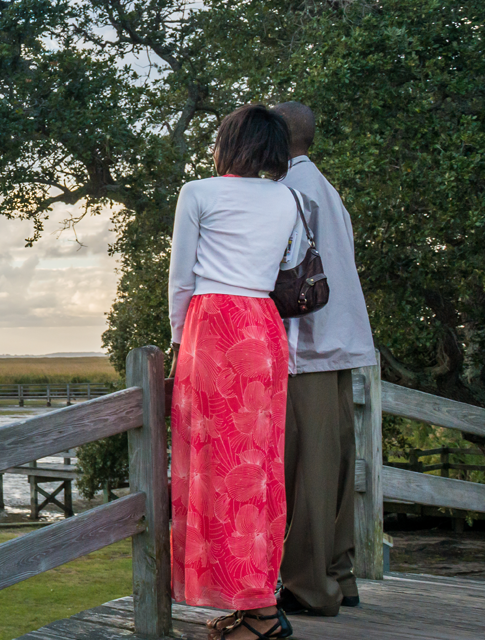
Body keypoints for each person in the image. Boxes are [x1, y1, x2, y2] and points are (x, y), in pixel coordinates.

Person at [168, 104, 309, 640]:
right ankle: (253, 603)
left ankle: (263, 616)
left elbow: (181, 277)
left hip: (215, 327)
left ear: (229, 142)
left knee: (213, 467)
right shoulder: (289, 198)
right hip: (263, 326)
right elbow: (284, 270)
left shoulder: (198, 193)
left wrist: (181, 342)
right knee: (256, 468)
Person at [271, 101, 377, 617]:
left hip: (306, 344)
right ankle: (339, 572)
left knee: (310, 468)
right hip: (340, 341)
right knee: (334, 462)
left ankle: (310, 587)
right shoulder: (325, 188)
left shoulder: (287, 191)